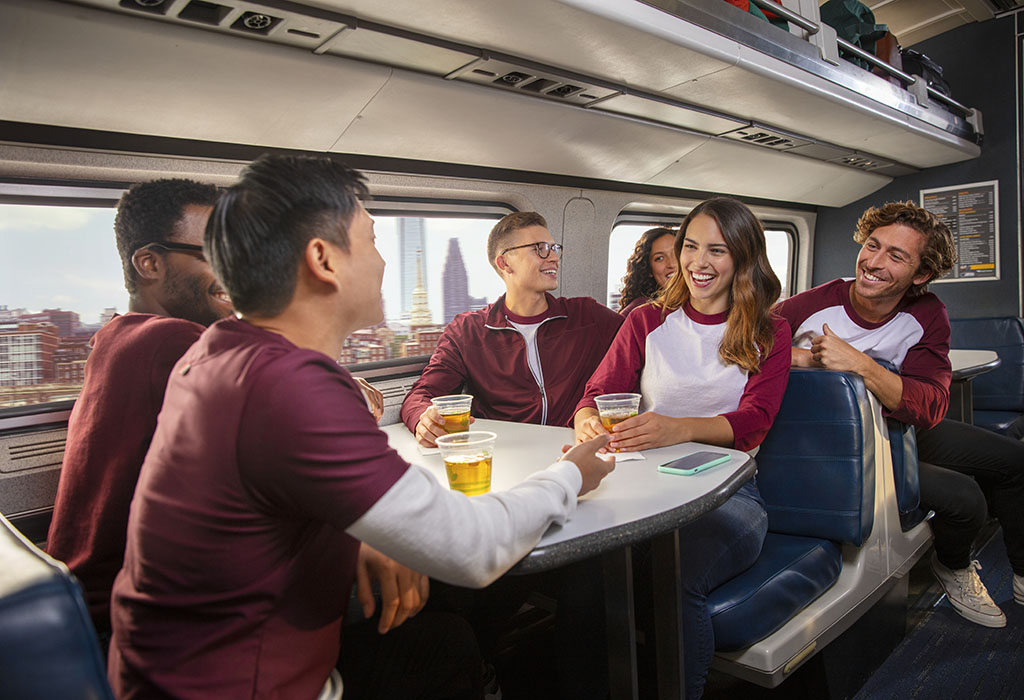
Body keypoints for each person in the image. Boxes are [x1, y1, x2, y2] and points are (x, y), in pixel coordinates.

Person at [106, 154, 614, 700]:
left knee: (441, 633)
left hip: (167, 673)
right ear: (323, 259)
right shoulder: (287, 386)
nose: (380, 260)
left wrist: (363, 535)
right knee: (443, 642)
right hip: (234, 686)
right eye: (371, 240)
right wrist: (569, 476)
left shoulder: (220, 353)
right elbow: (470, 546)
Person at [574, 197, 791, 699]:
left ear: (743, 257)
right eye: (691, 246)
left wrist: (678, 429)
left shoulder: (768, 330)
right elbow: (595, 395)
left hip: (732, 495)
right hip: (642, 486)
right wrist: (587, 420)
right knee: (584, 581)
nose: (697, 262)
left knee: (679, 578)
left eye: (716, 250)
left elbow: (754, 423)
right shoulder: (647, 320)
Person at [774, 200, 1024, 628]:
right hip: (834, 447)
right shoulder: (809, 306)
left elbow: (929, 406)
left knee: (1015, 460)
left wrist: (861, 364)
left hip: (899, 427)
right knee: (966, 500)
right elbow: (745, 352)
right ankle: (954, 565)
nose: (873, 262)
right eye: (872, 245)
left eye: (896, 255)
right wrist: (804, 358)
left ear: (921, 275)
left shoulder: (927, 314)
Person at [46, 179, 235, 645]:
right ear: (149, 262)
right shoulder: (172, 343)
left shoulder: (117, 337)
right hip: (143, 629)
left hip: (90, 615)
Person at [400, 211, 623, 447]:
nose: (553, 258)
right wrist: (423, 420)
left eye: (554, 248)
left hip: (572, 450)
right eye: (539, 249)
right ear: (504, 263)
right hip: (506, 455)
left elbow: (641, 340)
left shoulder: (587, 316)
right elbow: (420, 395)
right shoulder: (468, 331)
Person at [618, 226, 678, 315]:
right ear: (649, 270)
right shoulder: (639, 310)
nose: (672, 264)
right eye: (659, 258)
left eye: (677, 253)